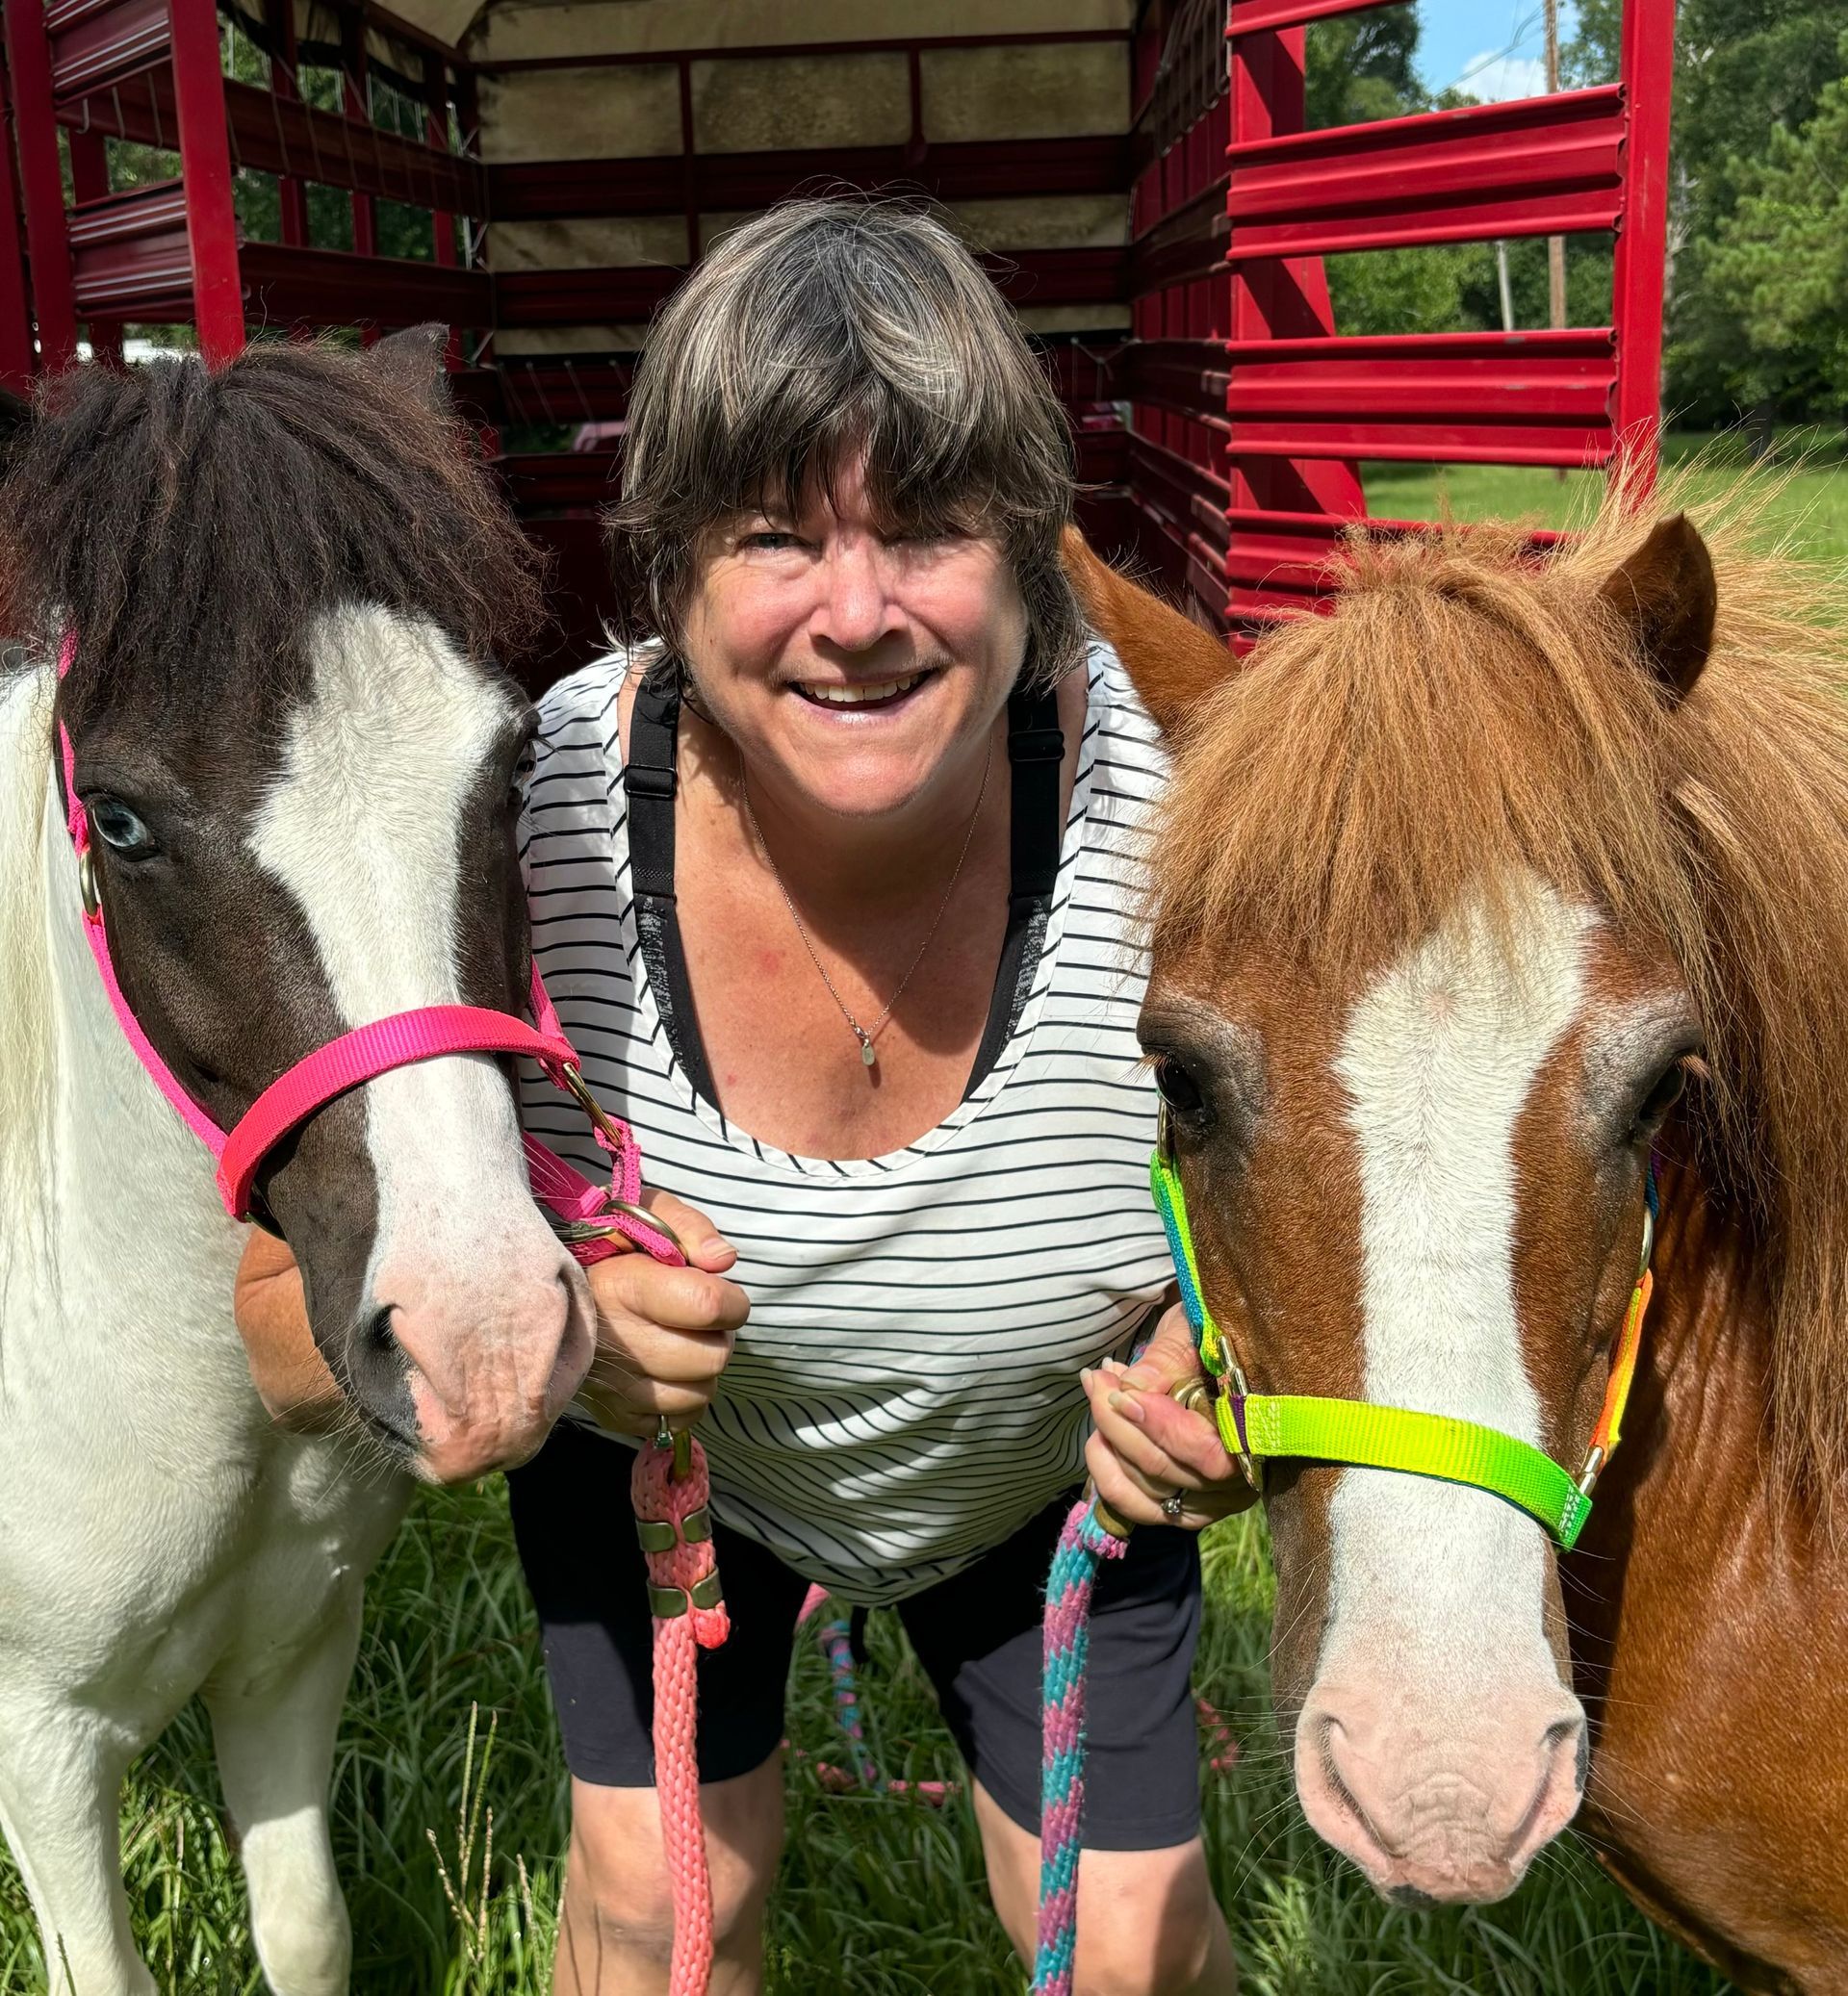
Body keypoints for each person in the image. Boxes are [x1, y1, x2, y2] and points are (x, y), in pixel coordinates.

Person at [234, 198, 1250, 1996]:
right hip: (672, 1480)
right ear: (670, 568)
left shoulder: (1194, 809)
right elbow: (268, 1325)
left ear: (1032, 557)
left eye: (928, 526)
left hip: (1043, 1467)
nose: (856, 615)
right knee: (656, 1914)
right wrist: (565, 1330)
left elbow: (1356, 1203)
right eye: (776, 535)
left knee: (1134, 1949)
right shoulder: (509, 816)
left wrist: (1238, 1363)